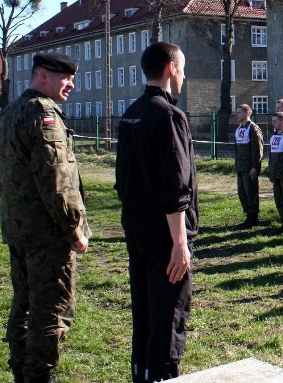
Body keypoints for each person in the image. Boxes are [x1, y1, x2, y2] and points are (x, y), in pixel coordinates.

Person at [0, 52, 90, 383]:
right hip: (47, 236)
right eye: (66, 78)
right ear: (44, 76)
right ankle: (38, 375)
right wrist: (73, 228)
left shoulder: (11, 112)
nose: (72, 85)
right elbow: (57, 180)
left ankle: (22, 370)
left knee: (23, 304)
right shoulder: (44, 114)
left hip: (19, 230)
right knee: (52, 310)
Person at [116, 42, 198, 382]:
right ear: (170, 69)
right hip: (165, 240)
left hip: (139, 232)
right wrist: (180, 243)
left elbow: (123, 180)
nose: (183, 76)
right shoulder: (168, 115)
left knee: (146, 318)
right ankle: (160, 376)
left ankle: (142, 374)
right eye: (182, 69)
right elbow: (175, 185)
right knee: (167, 321)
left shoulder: (131, 112)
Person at [234, 103, 264, 228]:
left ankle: (253, 217)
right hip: (240, 166)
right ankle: (248, 215)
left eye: (239, 112)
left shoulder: (253, 129)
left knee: (251, 191)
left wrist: (254, 167)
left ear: (247, 113)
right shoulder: (239, 128)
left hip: (249, 167)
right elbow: (237, 148)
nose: (237, 114)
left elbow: (257, 150)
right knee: (242, 192)